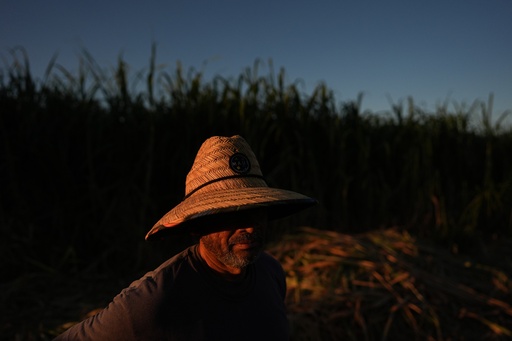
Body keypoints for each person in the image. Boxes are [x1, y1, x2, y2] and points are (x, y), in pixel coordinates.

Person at [54, 135, 317, 340]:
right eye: (231, 214)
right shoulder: (152, 303)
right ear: (196, 226)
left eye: (256, 211)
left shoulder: (271, 273)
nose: (249, 227)